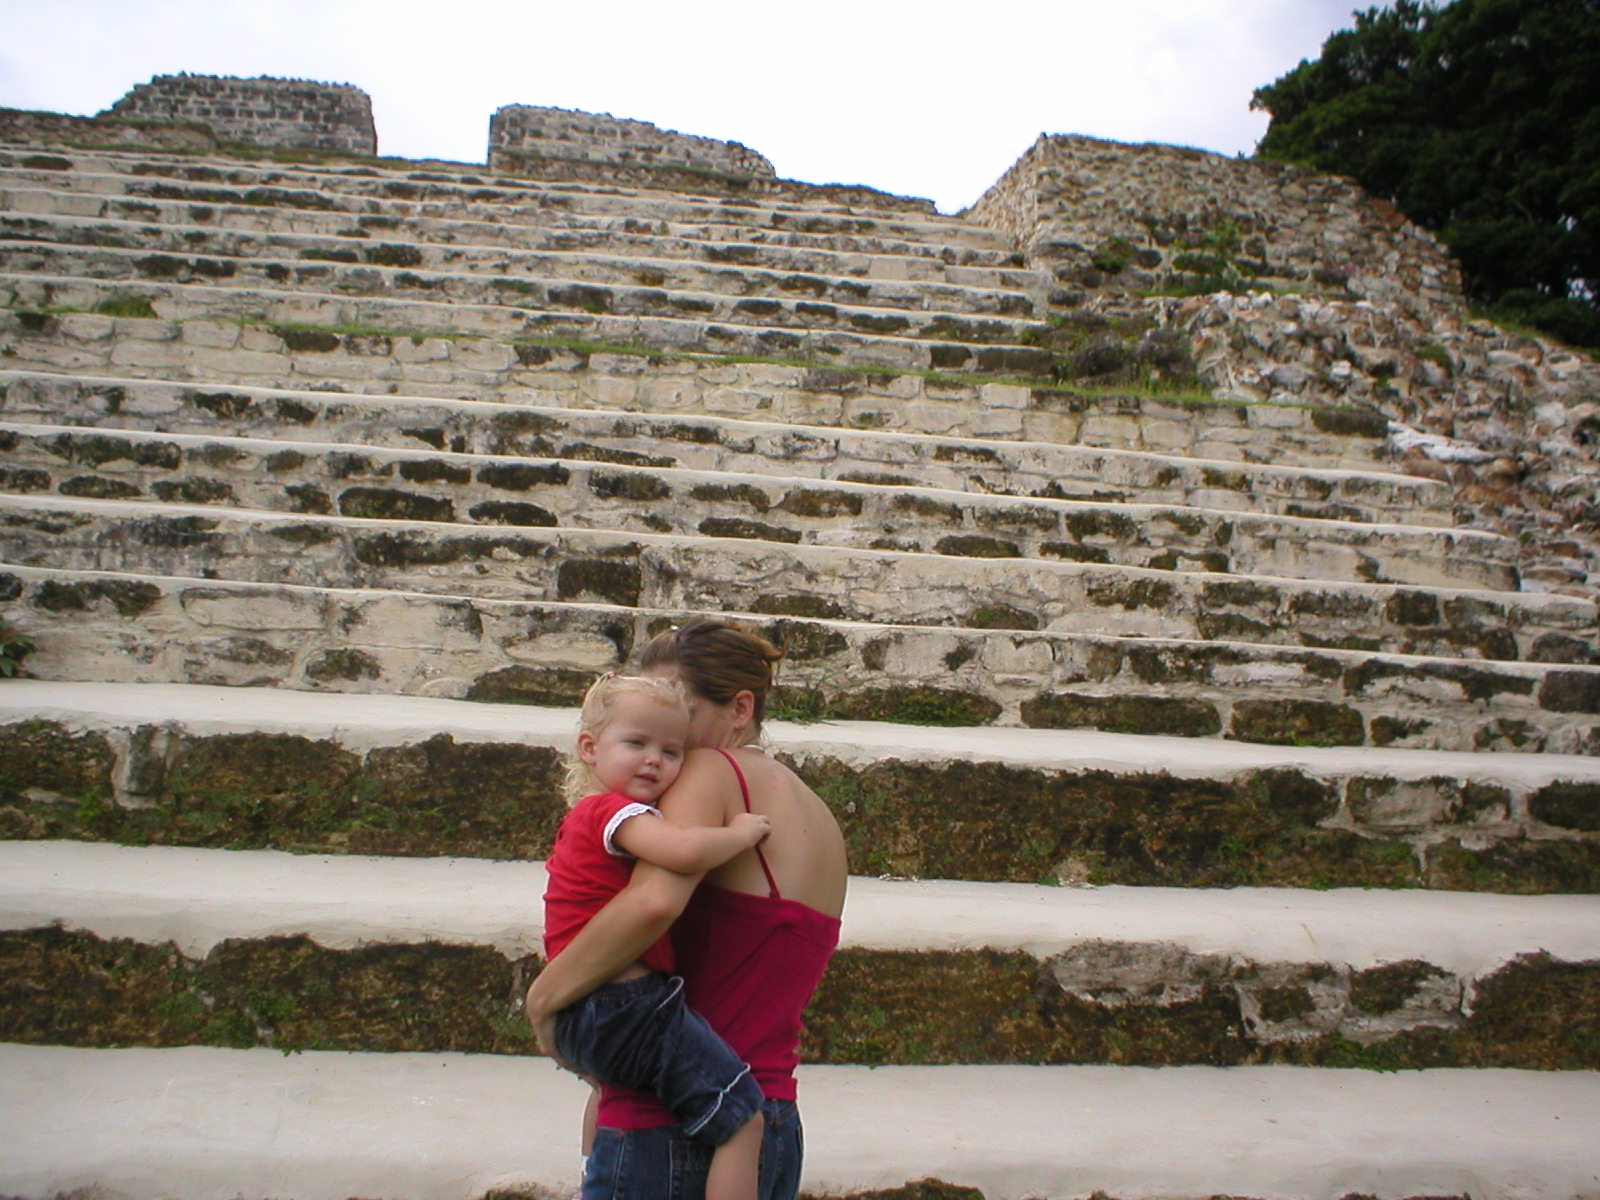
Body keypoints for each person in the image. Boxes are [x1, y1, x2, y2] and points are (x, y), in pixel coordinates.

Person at [527, 620, 849, 1200]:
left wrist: (544, 999)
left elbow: (652, 903)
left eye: (679, 709)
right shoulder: (815, 812)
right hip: (770, 1121)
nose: (661, 732)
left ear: (739, 709)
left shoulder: (709, 772)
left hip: (671, 1128)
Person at [543, 672, 774, 1200]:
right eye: (636, 743)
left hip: (587, 1007)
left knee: (610, 1090)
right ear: (589, 749)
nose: (654, 760)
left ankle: (589, 1177)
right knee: (743, 1120)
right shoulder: (611, 812)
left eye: (672, 751)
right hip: (626, 1002)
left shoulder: (582, 817)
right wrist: (739, 833)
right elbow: (684, 852)